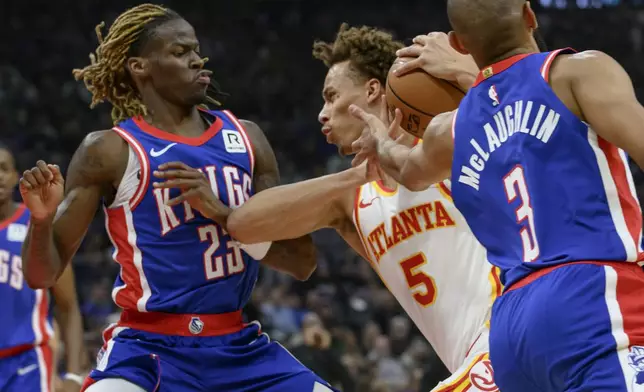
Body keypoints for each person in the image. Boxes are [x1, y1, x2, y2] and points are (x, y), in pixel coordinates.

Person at [18, 4, 335, 392]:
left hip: (238, 346)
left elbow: (302, 262)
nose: (196, 58)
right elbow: (41, 275)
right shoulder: (111, 151)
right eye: (179, 51)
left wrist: (222, 214)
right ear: (140, 67)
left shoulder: (247, 140)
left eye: (196, 49)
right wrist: (40, 220)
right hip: (147, 349)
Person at [350, 0, 644, 390]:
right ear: (529, 14)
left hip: (511, 330)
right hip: (591, 294)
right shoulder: (578, 71)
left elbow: (406, 169)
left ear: (460, 42)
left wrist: (380, 140)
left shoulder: (449, 130)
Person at [226, 24, 501, 391]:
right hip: (468, 358)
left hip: (505, 334)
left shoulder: (442, 141)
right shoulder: (351, 198)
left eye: (331, 96)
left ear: (373, 89)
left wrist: (465, 72)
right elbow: (245, 224)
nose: (322, 113)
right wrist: (355, 177)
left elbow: (515, 115)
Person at [0, 143, 87, 392]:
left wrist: (74, 374)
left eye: (3, 169)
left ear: (16, 176)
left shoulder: (37, 223)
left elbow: (68, 306)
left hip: (26, 363)